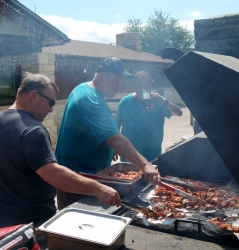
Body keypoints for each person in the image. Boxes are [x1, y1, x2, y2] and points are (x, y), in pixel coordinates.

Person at [0, 73, 121, 229]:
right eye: (50, 102)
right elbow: (53, 174)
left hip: (1, 219)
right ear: (34, 95)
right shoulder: (33, 130)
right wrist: (98, 188)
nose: (51, 109)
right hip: (34, 221)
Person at [55, 57, 161, 210]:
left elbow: (100, 131)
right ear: (101, 77)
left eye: (121, 83)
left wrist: (108, 148)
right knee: (78, 224)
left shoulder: (83, 88)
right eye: (115, 82)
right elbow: (115, 139)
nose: (119, 87)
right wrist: (145, 165)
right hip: (78, 178)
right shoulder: (91, 100)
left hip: (85, 171)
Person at [115, 71, 183, 162]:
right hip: (129, 154)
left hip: (152, 153)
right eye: (140, 86)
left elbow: (179, 113)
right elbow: (116, 126)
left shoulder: (158, 100)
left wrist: (164, 102)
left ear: (150, 85)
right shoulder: (125, 102)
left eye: (146, 86)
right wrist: (114, 147)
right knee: (129, 176)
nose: (143, 89)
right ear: (134, 85)